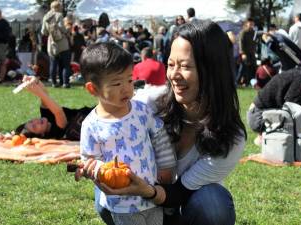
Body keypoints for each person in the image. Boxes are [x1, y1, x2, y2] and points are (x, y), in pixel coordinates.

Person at [81, 20, 247, 225]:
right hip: (138, 207)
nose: (173, 75)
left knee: (213, 203)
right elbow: (105, 113)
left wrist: (147, 190)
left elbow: (180, 193)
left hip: (182, 208)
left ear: (212, 69)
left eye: (185, 66)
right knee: (105, 185)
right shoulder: (149, 104)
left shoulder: (231, 137)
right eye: (170, 64)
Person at [79, 42, 176, 225]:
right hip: (121, 203)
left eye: (130, 80)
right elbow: (89, 160)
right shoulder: (91, 125)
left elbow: (159, 136)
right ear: (93, 89)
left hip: (151, 194)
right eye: (116, 83)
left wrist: (166, 167)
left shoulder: (141, 110)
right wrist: (98, 170)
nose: (126, 88)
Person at [247, 66, 301, 146]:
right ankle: (264, 137)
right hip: (257, 117)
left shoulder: (299, 76)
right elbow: (291, 107)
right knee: (295, 118)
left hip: (257, 114)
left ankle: (265, 136)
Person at [13, 76, 93, 141]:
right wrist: (37, 92)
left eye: (31, 121)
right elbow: (59, 112)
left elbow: (45, 93)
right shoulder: (56, 134)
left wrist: (34, 81)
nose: (35, 121)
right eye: (34, 127)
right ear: (41, 135)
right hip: (98, 121)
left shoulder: (45, 115)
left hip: (94, 111)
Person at [41, 0, 71, 88]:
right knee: (65, 64)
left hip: (51, 43)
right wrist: (66, 31)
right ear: (58, 7)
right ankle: (65, 83)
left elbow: (43, 32)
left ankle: (54, 83)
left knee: (53, 64)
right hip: (62, 43)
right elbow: (62, 27)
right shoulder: (59, 15)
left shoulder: (46, 17)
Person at [237, 18, 257, 86]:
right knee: (243, 68)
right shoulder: (243, 32)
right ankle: (237, 82)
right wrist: (242, 53)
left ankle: (248, 82)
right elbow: (240, 43)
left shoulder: (254, 32)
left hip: (252, 53)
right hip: (245, 53)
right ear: (247, 24)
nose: (251, 25)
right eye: (250, 23)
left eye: (252, 24)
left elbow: (255, 42)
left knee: (252, 67)